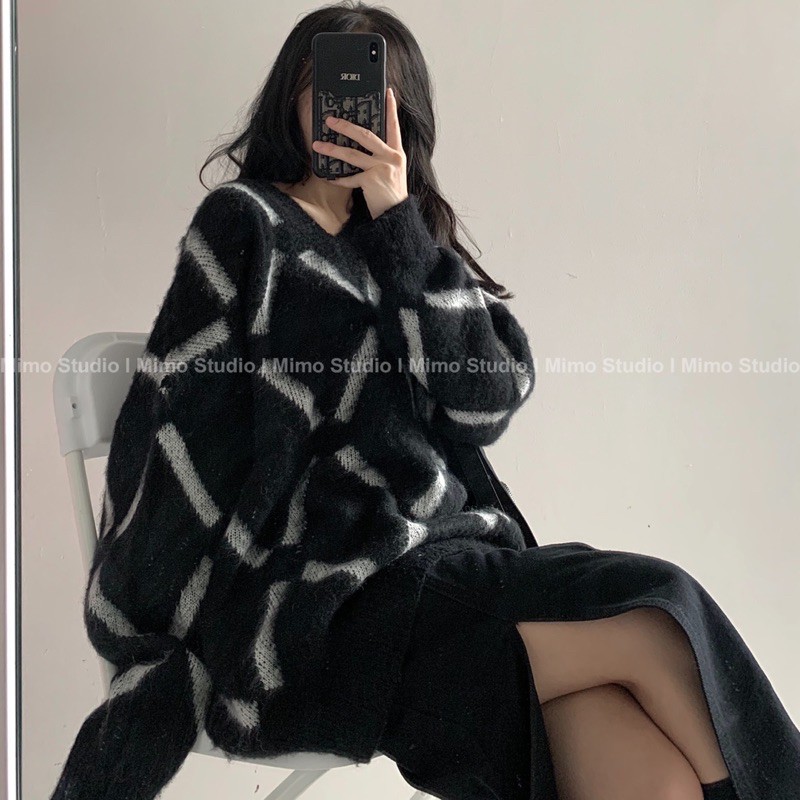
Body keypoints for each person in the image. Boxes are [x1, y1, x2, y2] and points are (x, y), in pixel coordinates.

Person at [52, 3, 800, 799]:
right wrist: (174, 632)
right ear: (289, 100)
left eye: (366, 91)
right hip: (327, 608)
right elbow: (182, 436)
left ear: (400, 111)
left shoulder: (409, 241)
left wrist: (401, 227)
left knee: (650, 770)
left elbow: (486, 403)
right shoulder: (246, 225)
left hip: (450, 577)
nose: (340, 107)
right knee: (656, 618)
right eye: (320, 85)